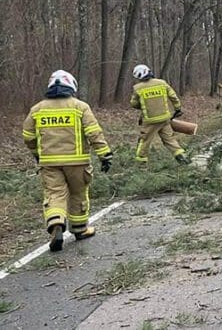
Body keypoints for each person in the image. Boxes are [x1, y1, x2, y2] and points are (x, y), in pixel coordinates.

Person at [22, 71, 113, 252]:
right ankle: (80, 229)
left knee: (54, 194)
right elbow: (93, 132)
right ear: (71, 86)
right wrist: (105, 155)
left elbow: (28, 136)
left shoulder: (37, 109)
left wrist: (37, 154)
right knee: (78, 193)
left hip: (49, 163)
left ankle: (56, 224)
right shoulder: (80, 107)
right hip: (77, 163)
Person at [129, 64, 187, 165]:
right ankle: (183, 159)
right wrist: (177, 109)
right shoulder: (162, 83)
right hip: (165, 119)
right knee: (170, 140)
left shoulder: (138, 88)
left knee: (144, 142)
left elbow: (133, 103)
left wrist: (143, 105)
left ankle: (140, 165)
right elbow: (173, 97)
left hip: (150, 121)